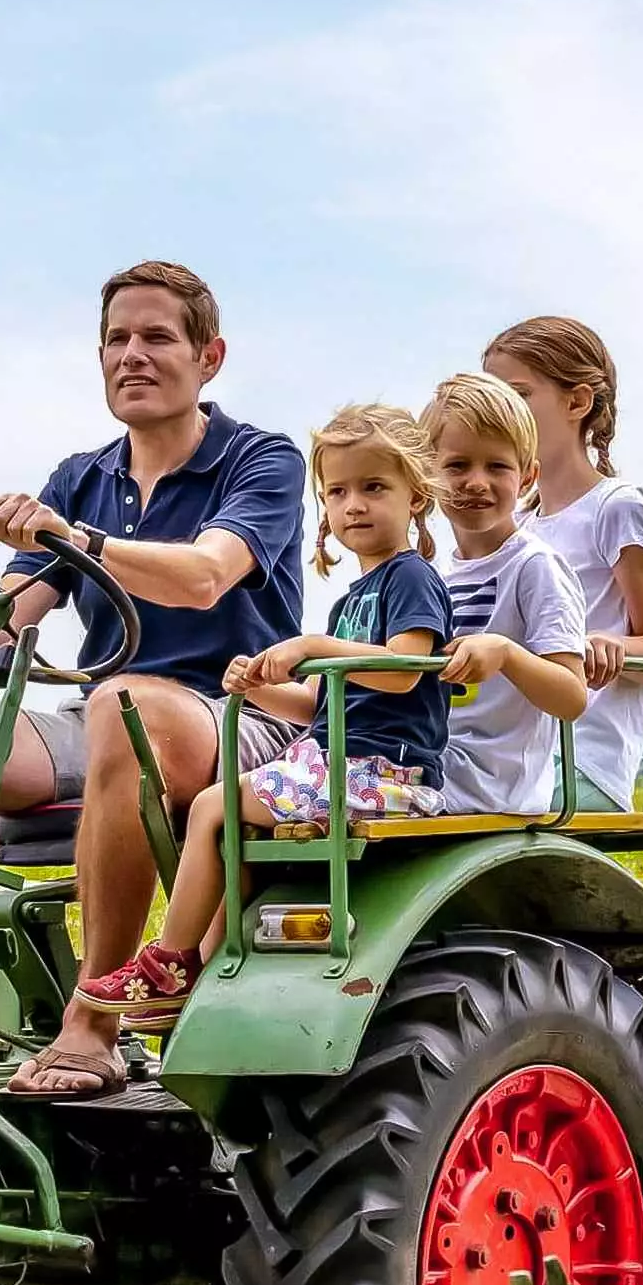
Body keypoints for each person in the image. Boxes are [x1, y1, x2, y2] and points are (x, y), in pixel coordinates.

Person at [0, 260, 305, 1097]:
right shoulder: (83, 476)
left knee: (124, 706)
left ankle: (93, 1027)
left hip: (246, 720)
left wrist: (78, 539)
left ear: (210, 357)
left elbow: (204, 577)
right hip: (105, 722)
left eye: (158, 337)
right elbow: (1, 628)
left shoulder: (261, 460)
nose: (134, 354)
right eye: (117, 340)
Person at [74, 404, 452, 1026]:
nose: (354, 504)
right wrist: (255, 690)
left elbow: (404, 669)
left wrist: (311, 648)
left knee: (211, 807)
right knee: (229, 818)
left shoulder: (410, 578)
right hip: (335, 755)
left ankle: (171, 961)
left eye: (374, 487)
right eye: (338, 491)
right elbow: (319, 704)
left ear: (416, 497)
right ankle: (215, 965)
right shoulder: (356, 597)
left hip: (384, 770)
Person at [481, 317, 643, 811]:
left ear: (577, 402)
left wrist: (611, 644)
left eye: (518, 396)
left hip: (578, 760)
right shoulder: (517, 525)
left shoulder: (618, 509)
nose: (500, 415)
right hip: (508, 752)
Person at [424, 372, 590, 813]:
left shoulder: (534, 567)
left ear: (527, 476)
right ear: (426, 472)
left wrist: (506, 653)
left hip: (490, 782)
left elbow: (572, 696)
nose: (477, 482)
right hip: (432, 762)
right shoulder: (432, 575)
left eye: (497, 466)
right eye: (457, 466)